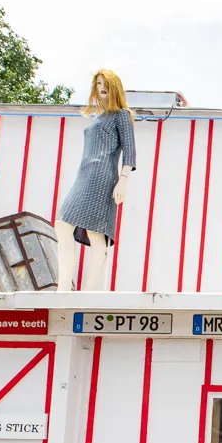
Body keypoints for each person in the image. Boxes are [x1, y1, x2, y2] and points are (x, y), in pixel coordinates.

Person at [56, 70, 138, 291]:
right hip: (84, 174)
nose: (101, 86)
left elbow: (130, 151)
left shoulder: (121, 115)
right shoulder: (98, 117)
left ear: (114, 87)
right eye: (98, 83)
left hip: (103, 176)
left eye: (106, 83)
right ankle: (64, 286)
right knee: (63, 225)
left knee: (96, 231)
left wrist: (123, 180)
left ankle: (91, 288)